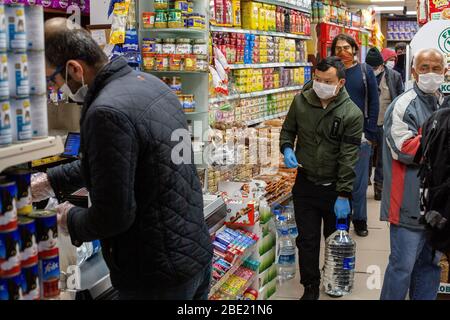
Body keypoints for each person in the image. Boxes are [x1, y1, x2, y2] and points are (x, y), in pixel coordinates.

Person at [32, 19, 213, 300]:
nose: (55, 86)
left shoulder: (106, 111)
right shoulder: (152, 85)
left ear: (74, 69)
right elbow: (116, 161)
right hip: (194, 255)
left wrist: (71, 219)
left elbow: (113, 216)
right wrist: (49, 180)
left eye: (53, 79)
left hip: (154, 276)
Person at [280, 56, 363, 300]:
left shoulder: (352, 113)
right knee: (307, 240)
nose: (321, 85)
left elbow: (349, 157)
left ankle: (333, 279)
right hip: (305, 183)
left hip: (335, 187)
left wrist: (344, 194)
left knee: (335, 241)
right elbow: (288, 130)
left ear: (341, 82)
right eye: (317, 79)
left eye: (327, 81)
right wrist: (286, 148)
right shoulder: (300, 102)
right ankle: (310, 286)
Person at [380, 48, 449, 300]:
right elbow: (404, 149)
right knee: (402, 269)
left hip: (437, 207)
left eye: (436, 68)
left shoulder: (444, 103)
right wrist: (442, 140)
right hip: (407, 205)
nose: (430, 73)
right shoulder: (402, 105)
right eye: (424, 68)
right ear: (412, 71)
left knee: (429, 267)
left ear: (445, 72)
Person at [331, 34, 380, 237]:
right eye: (338, 48)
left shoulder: (364, 71)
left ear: (354, 49)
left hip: (360, 136)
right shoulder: (331, 72)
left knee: (359, 183)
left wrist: (369, 132)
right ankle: (342, 220)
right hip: (335, 137)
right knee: (338, 182)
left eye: (346, 47)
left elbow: (374, 102)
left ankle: (360, 220)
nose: (343, 52)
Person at [365, 47, 404, 201]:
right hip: (367, 122)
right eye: (370, 67)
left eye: (375, 67)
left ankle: (379, 187)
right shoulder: (363, 75)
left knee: (382, 157)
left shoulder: (394, 76)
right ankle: (364, 180)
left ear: (381, 64)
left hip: (385, 123)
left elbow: (399, 97)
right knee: (366, 154)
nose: (373, 70)